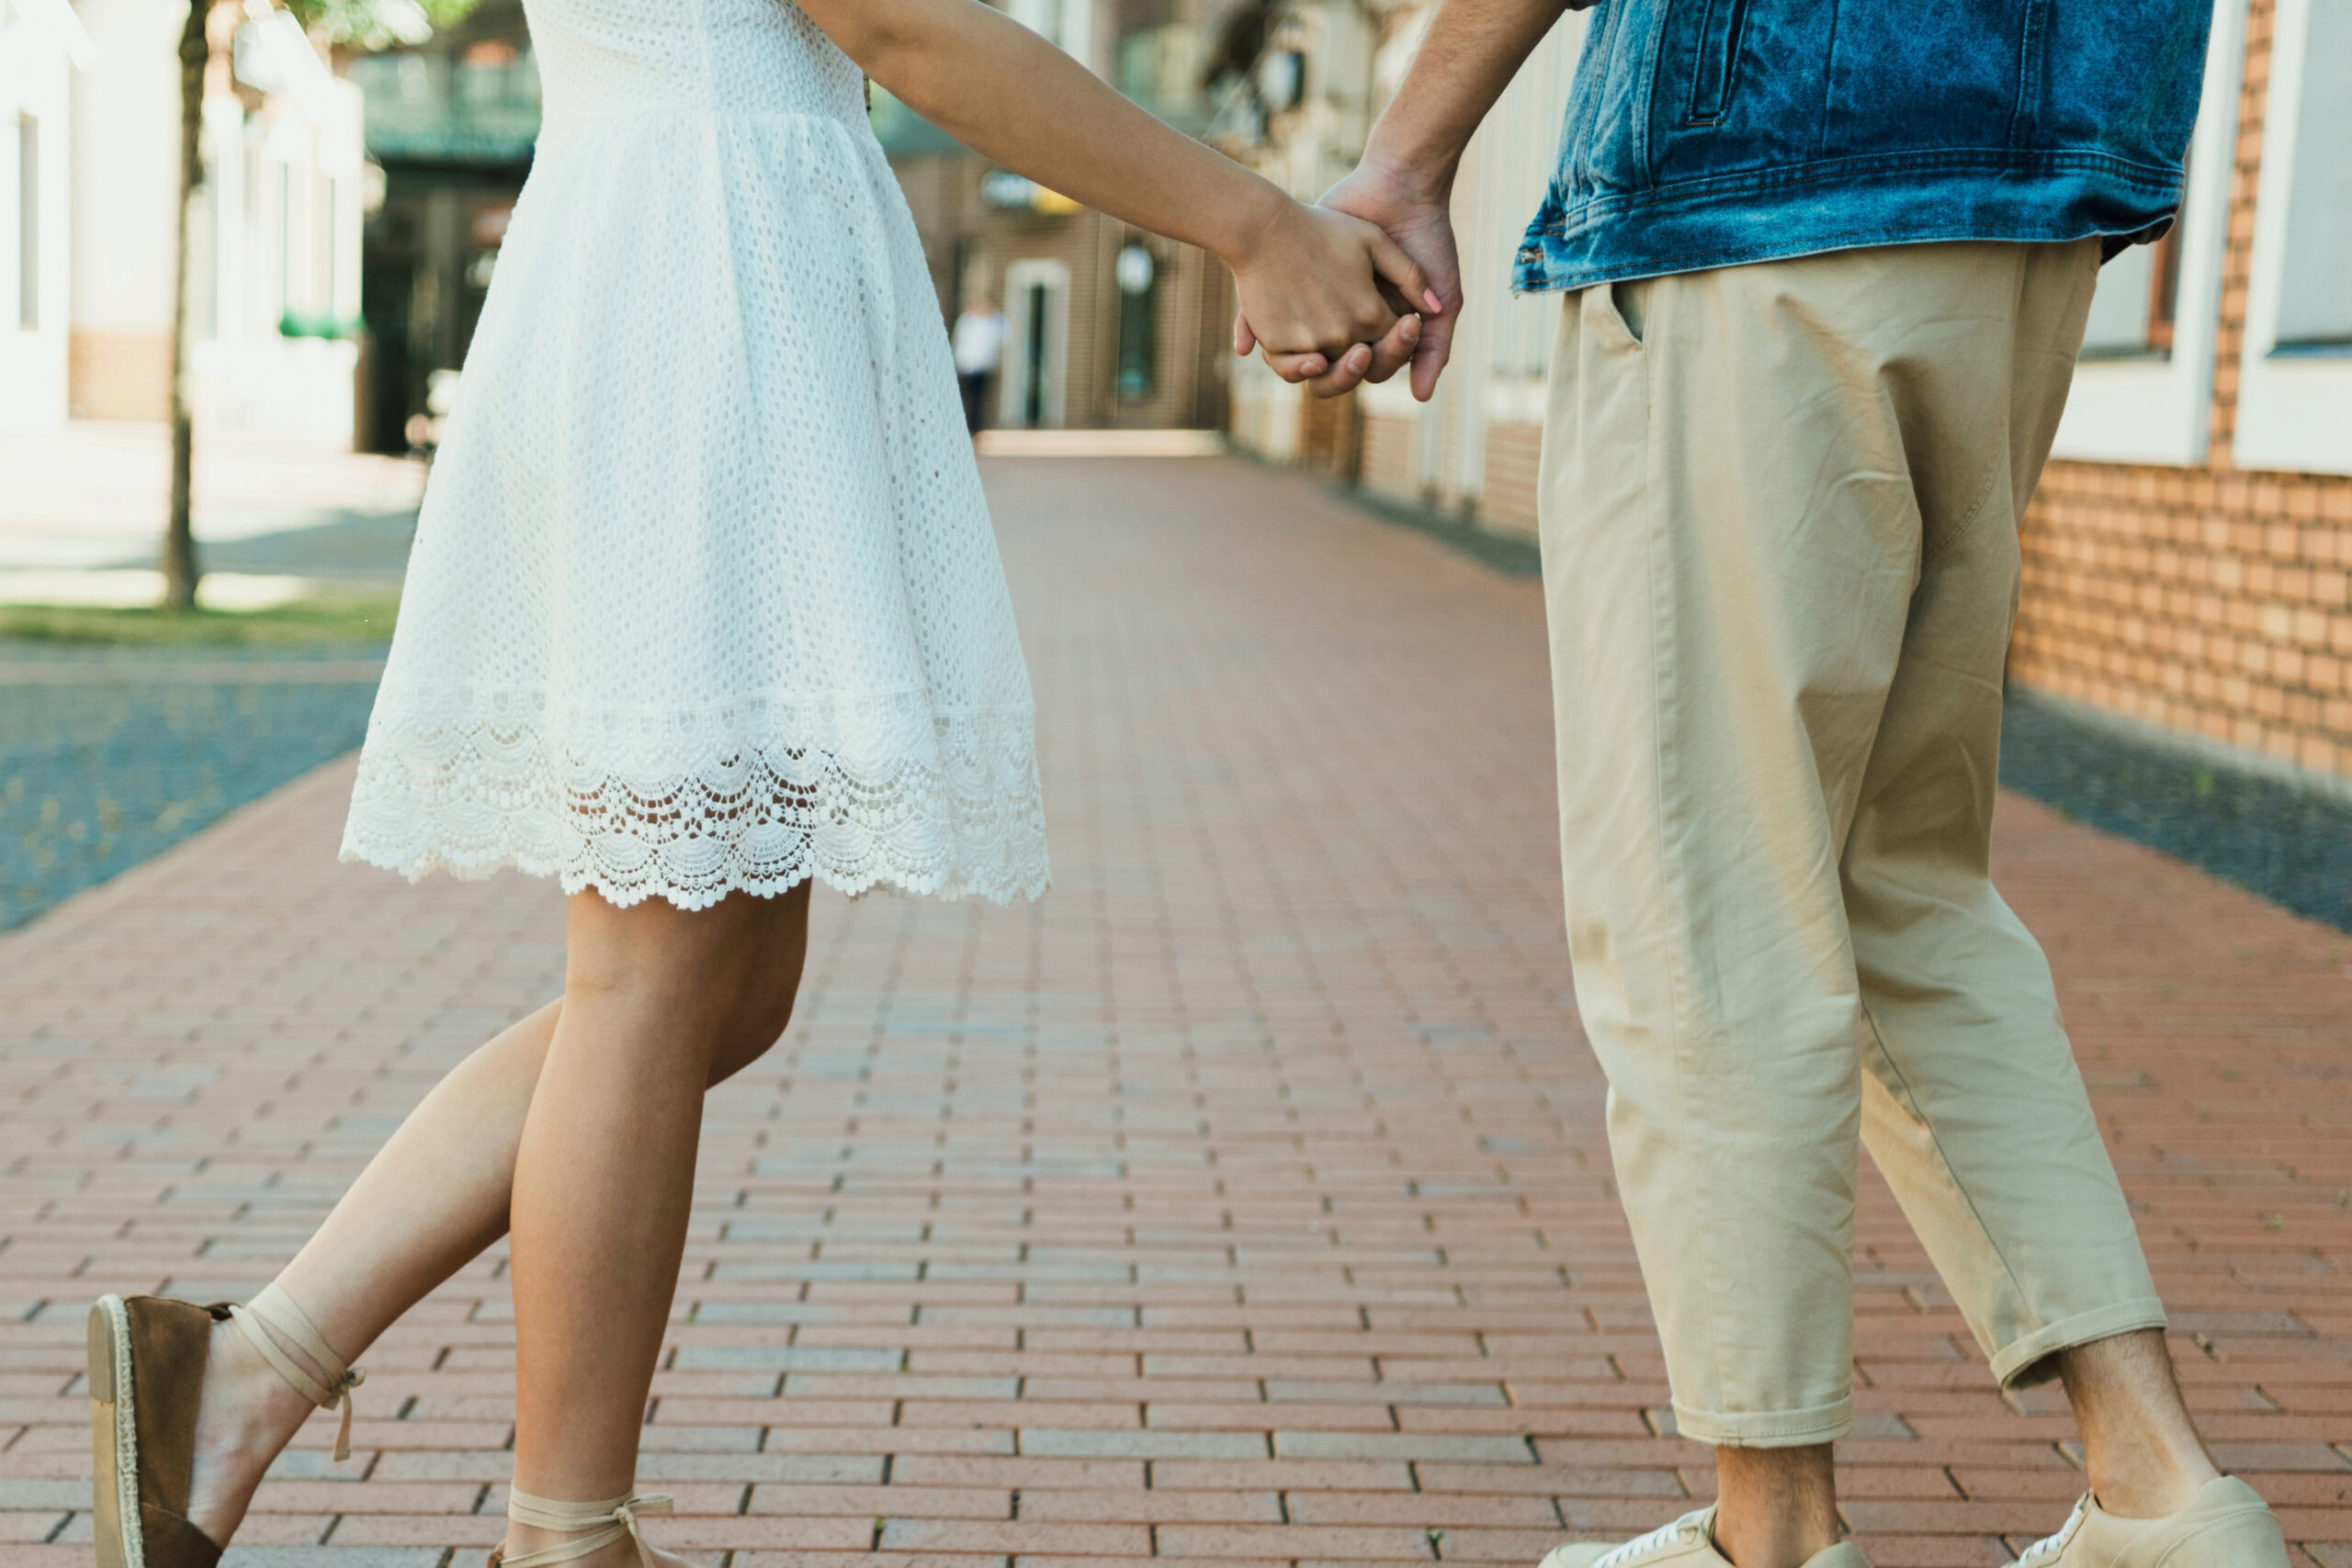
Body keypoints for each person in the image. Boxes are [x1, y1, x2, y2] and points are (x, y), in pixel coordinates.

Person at [81, 6, 1435, 1568]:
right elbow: (899, 20)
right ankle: (562, 1535)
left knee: (718, 980)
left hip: (689, 271)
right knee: (656, 971)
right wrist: (1253, 221)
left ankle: (243, 1373)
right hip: (700, 302)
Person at [1238, 2, 2290, 1566]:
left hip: (1757, 177)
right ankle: (2162, 1493)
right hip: (2030, 196)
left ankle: (1773, 1533)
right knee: (1896, 886)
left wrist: (1404, 156)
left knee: (1706, 887)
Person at [953, 293, 1006, 433]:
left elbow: (1004, 335)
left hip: (983, 367)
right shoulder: (966, 320)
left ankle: (976, 429)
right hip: (966, 366)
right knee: (966, 398)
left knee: (979, 400)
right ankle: (964, 426)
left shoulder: (992, 322)